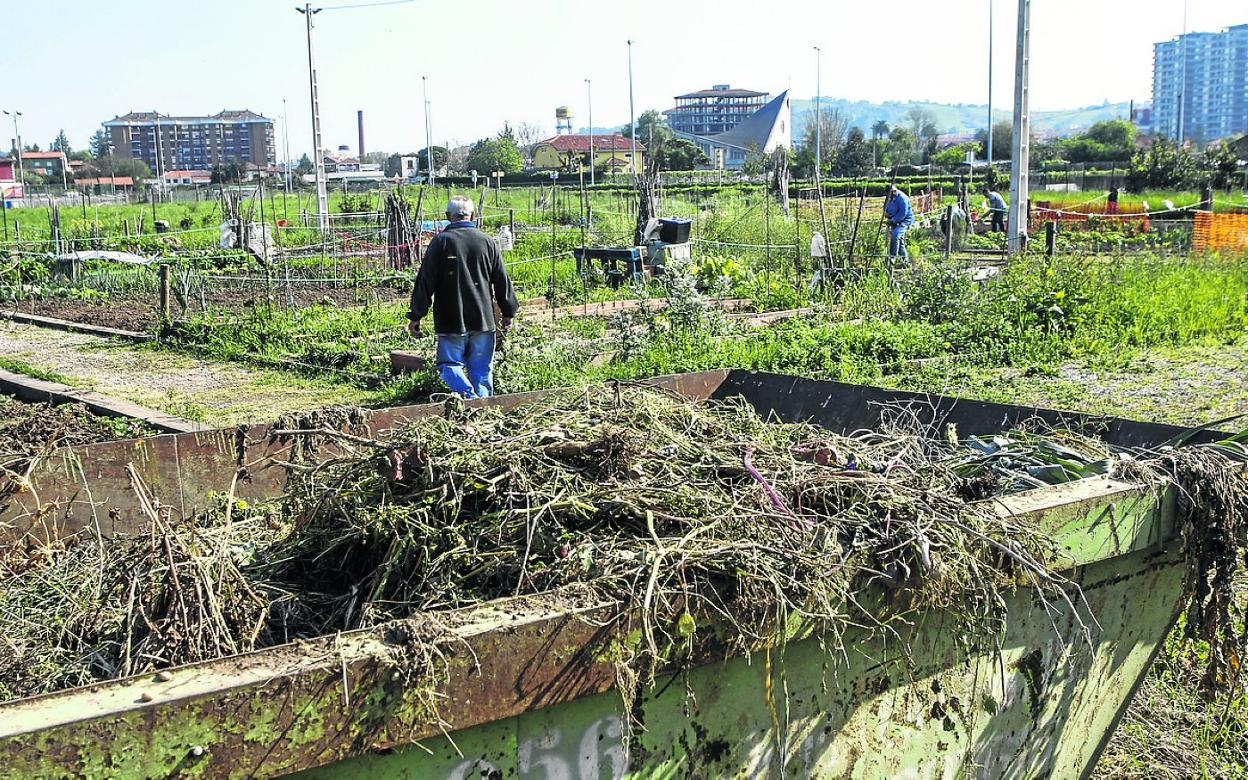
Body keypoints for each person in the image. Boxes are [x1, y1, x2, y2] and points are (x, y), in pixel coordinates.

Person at [407, 195, 519, 398]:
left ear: (447, 216)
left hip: (452, 319)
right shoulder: (487, 242)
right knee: (482, 369)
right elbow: (502, 280)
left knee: (449, 364)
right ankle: (483, 408)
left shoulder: (441, 242)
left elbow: (426, 281)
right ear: (472, 215)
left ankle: (469, 398)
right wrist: (508, 312)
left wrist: (416, 314)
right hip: (483, 318)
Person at [883, 184, 914, 259]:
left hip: (905, 220)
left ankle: (892, 257)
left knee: (895, 235)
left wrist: (893, 220)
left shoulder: (902, 198)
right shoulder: (890, 197)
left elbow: (903, 213)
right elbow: (886, 206)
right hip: (894, 219)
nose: (888, 197)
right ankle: (905, 261)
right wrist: (886, 213)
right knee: (900, 243)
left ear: (894, 191)